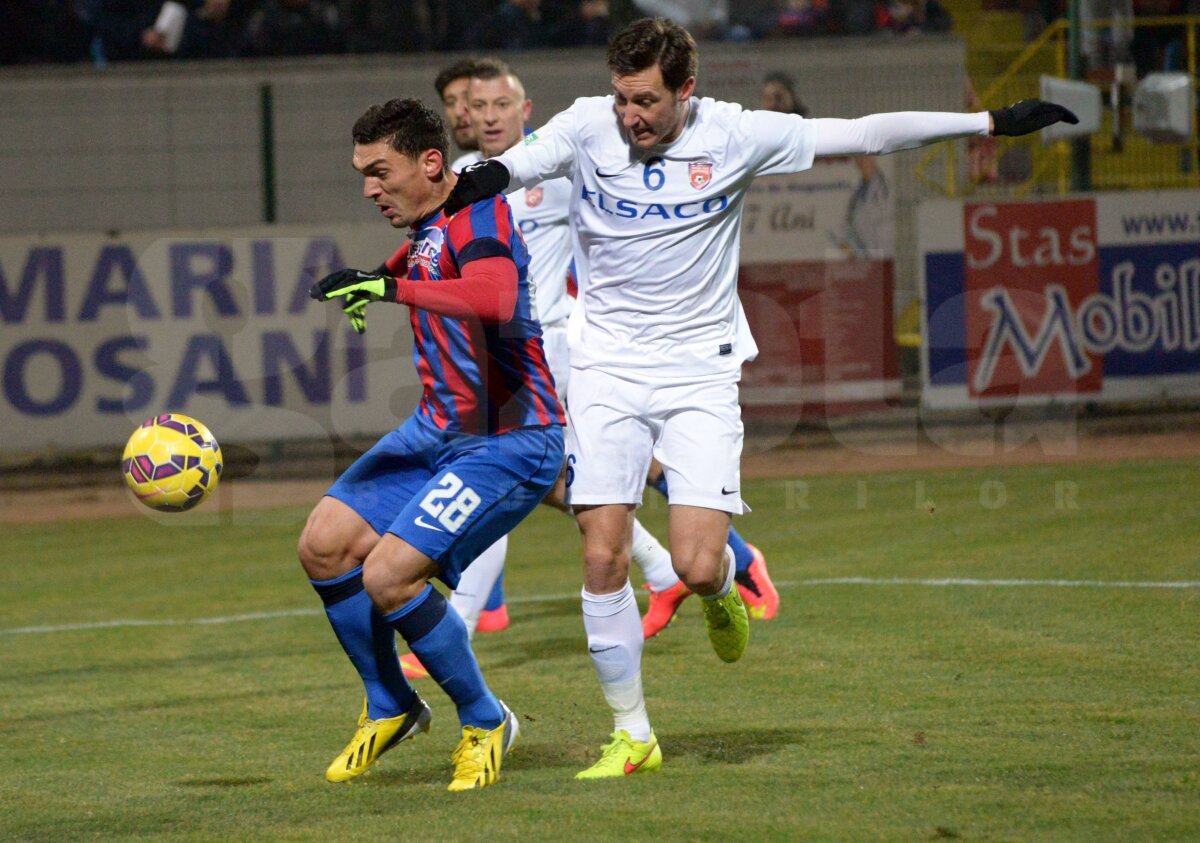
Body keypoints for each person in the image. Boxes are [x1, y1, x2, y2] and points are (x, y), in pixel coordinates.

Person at [444, 16, 1077, 779]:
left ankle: (714, 590)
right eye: (621, 98)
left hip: (701, 374)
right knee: (601, 548)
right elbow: (514, 166)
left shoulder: (736, 135)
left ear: (687, 89)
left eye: (645, 100)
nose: (629, 116)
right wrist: (465, 184)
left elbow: (868, 133)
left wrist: (989, 121)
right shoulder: (587, 127)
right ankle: (632, 732)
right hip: (606, 367)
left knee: (698, 561)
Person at [300, 97, 566, 791]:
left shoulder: (482, 214)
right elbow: (423, 258)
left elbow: (494, 296)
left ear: (429, 162)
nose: (369, 188)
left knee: (389, 575)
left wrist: (385, 285)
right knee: (324, 542)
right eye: (362, 174)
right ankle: (391, 703)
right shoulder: (430, 222)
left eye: (379, 171)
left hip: (510, 438)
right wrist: (382, 271)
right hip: (437, 429)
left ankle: (486, 719)